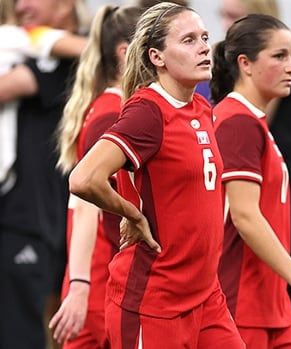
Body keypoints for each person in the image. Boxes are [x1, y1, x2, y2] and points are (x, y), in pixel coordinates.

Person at [68, 3, 245, 348]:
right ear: (157, 57)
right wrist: (131, 214)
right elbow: (83, 178)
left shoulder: (202, 108)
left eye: (205, 37)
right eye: (189, 40)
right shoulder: (148, 111)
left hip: (206, 295)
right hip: (154, 300)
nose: (204, 47)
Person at [210, 13, 291, 349]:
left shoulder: (254, 122)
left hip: (269, 305)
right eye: (279, 56)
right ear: (245, 64)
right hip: (241, 305)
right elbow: (245, 215)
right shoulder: (237, 122)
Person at [47, 5, 142, 348]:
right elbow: (86, 205)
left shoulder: (112, 109)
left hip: (96, 276)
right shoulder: (112, 115)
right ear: (126, 53)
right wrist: (80, 285)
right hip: (100, 279)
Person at [0, 0, 88, 347]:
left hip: (44, 218)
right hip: (23, 215)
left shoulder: (70, 56)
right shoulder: (21, 41)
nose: (22, 6)